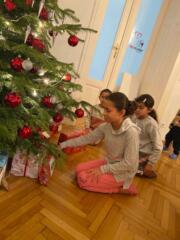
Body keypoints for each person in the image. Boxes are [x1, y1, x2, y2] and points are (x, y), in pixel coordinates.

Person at [59, 92, 139, 195]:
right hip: (110, 162)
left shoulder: (131, 132)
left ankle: (121, 189)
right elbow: (86, 139)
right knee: (79, 170)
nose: (104, 113)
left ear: (121, 113)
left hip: (123, 172)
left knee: (83, 180)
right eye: (104, 109)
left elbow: (129, 164)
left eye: (108, 110)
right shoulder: (106, 126)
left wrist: (102, 169)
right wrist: (63, 145)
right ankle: (108, 182)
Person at [131, 94, 163, 178]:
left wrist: (150, 164)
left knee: (131, 169)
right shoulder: (133, 117)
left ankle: (146, 171)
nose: (137, 110)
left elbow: (158, 147)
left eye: (141, 108)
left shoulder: (151, 124)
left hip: (144, 154)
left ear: (149, 110)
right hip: (134, 150)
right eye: (136, 107)